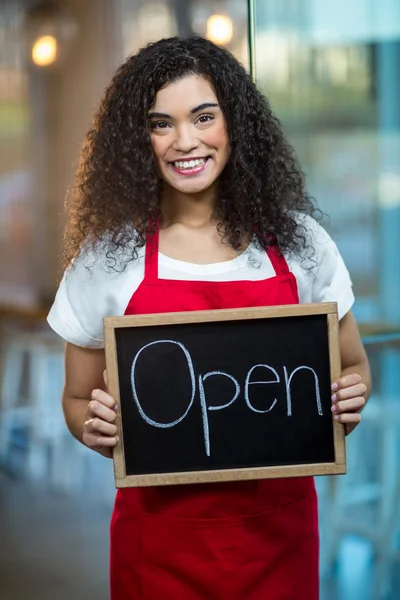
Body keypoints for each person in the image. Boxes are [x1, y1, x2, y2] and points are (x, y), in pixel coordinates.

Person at [47, 36, 371, 600]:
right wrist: (93, 427)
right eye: (161, 124)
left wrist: (350, 399)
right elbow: (76, 401)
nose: (186, 141)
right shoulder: (107, 259)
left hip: (281, 543)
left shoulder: (302, 246)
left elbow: (354, 370)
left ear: (235, 123)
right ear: (136, 139)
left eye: (203, 116)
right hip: (159, 551)